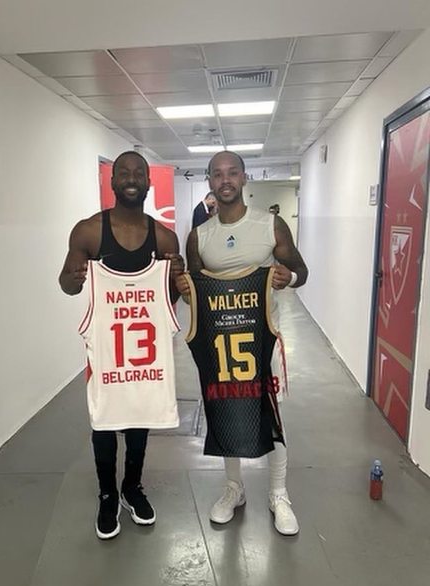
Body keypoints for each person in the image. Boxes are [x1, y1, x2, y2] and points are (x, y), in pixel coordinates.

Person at [177, 151, 308, 535]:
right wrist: (183, 288)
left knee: (271, 414)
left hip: (265, 340)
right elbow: (195, 293)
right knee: (225, 410)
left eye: (232, 172)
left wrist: (288, 278)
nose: (225, 180)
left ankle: (278, 493)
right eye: (217, 174)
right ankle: (234, 488)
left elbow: (301, 271)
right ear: (209, 181)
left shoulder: (270, 225)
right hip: (221, 344)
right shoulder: (199, 236)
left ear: (244, 177)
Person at [59, 150, 184, 540]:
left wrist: (176, 277)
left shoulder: (164, 237)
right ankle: (107, 493)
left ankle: (132, 486)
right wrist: (73, 279)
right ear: (112, 182)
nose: (131, 178)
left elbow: (167, 301)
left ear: (148, 182)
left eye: (139, 173)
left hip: (144, 354)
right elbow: (66, 284)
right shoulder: (88, 232)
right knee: (104, 421)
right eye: (124, 173)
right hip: (107, 349)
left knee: (139, 418)